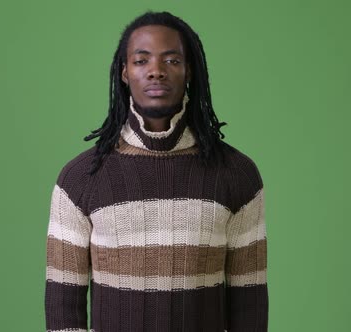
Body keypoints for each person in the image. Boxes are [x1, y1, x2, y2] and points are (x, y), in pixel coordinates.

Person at [44, 10, 268, 332]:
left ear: (189, 71)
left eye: (172, 60)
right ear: (124, 73)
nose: (156, 72)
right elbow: (63, 311)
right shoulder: (80, 179)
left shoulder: (237, 175)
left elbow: (250, 306)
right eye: (141, 60)